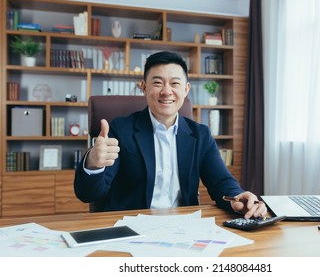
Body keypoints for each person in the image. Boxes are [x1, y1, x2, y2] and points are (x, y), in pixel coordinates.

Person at [74, 51, 267, 219]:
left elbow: (221, 181)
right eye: (157, 83)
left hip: (183, 227)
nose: (167, 91)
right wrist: (92, 163)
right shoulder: (120, 130)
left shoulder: (200, 135)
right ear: (144, 87)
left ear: (186, 89)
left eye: (175, 83)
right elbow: (89, 194)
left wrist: (237, 198)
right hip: (132, 228)